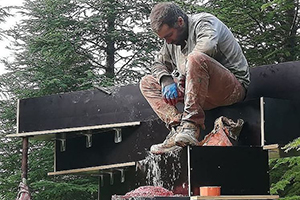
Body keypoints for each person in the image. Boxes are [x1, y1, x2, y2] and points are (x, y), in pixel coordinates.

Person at [140, 2, 250, 154]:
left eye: (169, 35)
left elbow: (207, 48)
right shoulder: (171, 42)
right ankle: (178, 129)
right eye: (163, 39)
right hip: (198, 94)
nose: (168, 42)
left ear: (180, 22)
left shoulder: (204, 22)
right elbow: (157, 64)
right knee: (147, 83)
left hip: (230, 89)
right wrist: (166, 80)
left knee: (196, 58)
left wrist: (181, 77)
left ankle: (191, 126)